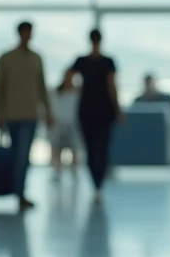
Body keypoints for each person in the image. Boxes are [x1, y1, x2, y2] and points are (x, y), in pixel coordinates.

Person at [0, 21, 54, 210]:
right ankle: (18, 191)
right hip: (11, 114)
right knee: (17, 155)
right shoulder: (6, 58)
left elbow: (42, 87)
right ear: (20, 33)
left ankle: (20, 193)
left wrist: (48, 111)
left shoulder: (36, 59)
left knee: (23, 155)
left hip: (30, 115)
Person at [69, 29, 123, 202]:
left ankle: (96, 183)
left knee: (91, 149)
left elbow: (68, 78)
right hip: (104, 110)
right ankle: (98, 184)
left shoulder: (82, 61)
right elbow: (112, 86)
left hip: (87, 109)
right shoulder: (107, 62)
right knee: (102, 147)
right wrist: (118, 109)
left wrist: (78, 90)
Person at [49, 69, 81, 180]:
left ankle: (74, 172)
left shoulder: (77, 92)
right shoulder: (56, 92)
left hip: (73, 123)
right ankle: (57, 172)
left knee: (74, 150)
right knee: (57, 149)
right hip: (59, 123)